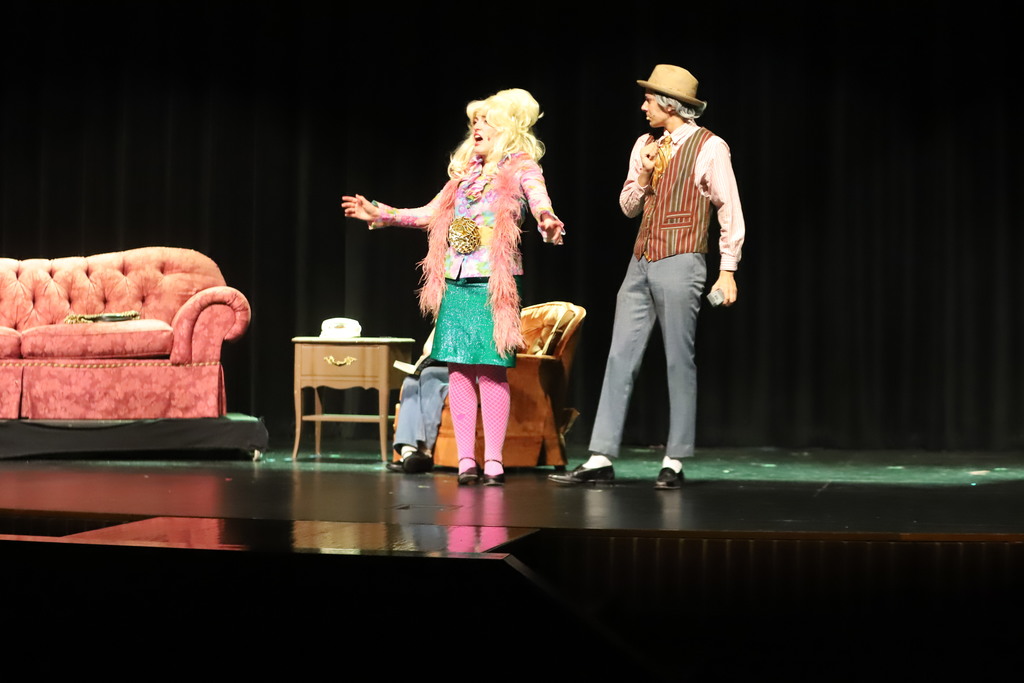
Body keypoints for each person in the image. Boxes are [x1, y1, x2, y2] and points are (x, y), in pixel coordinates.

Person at [342, 87, 565, 487]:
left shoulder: (520, 165)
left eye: (485, 121)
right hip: (457, 280)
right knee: (459, 371)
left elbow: (538, 196)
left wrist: (547, 219)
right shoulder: (465, 175)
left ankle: (493, 462)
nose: (476, 127)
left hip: (493, 283)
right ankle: (466, 462)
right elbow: (430, 214)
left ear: (507, 128)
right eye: (474, 122)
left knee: (492, 371)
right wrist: (382, 213)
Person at [549, 64, 746, 490]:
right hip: (640, 261)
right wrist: (642, 174)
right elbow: (628, 207)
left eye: (648, 100)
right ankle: (601, 455)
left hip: (682, 260)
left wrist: (727, 270)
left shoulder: (710, 148)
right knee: (620, 355)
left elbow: (730, 210)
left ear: (669, 104)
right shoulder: (645, 144)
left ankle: (674, 459)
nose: (642, 107)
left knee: (678, 358)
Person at [387, 330, 448, 474]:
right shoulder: (447, 314)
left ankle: (424, 451)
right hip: (438, 370)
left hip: (466, 373)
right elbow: (427, 348)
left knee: (429, 376)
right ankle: (408, 452)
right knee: (410, 382)